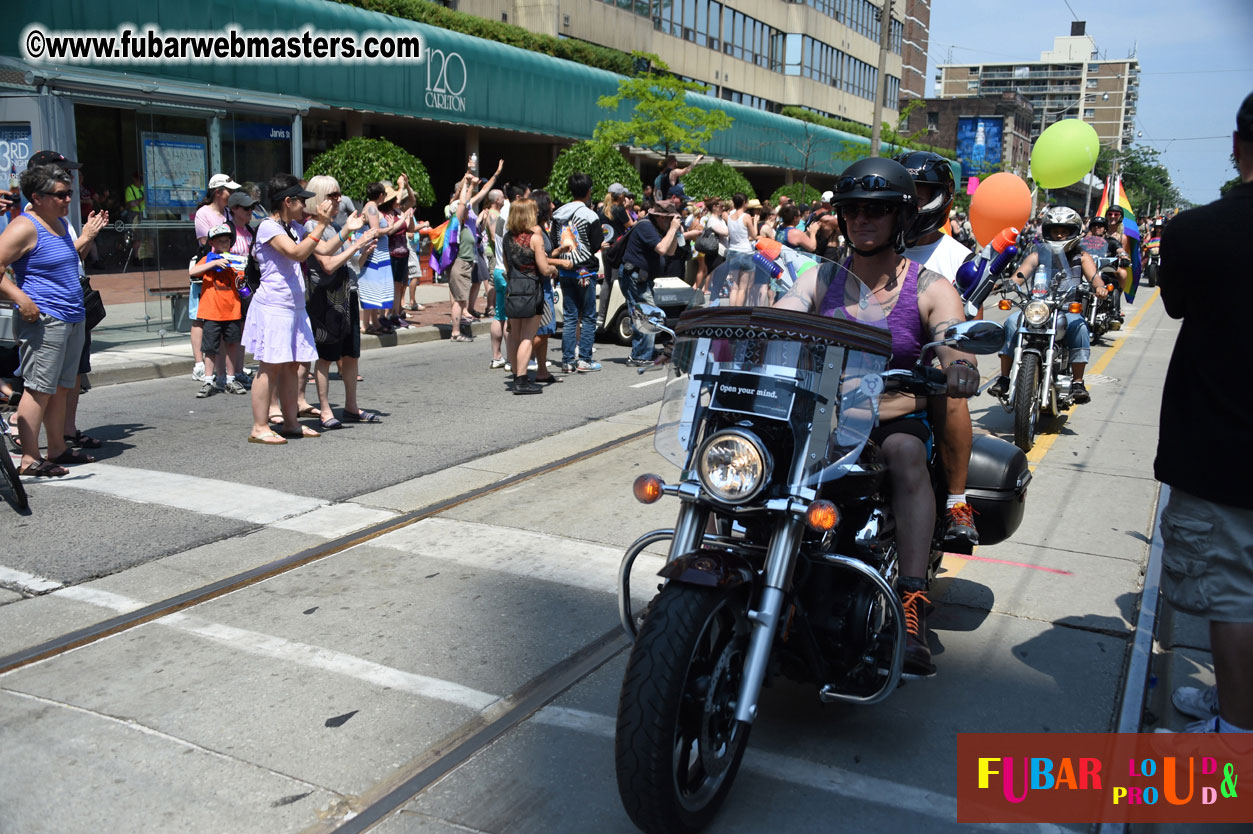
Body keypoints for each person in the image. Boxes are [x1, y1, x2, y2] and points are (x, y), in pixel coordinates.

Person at [773, 157, 982, 676]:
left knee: (908, 454)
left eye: (877, 210)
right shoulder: (821, 278)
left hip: (891, 419)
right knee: (747, 452)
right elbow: (783, 311)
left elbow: (953, 337)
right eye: (853, 211)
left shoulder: (929, 286)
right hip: (821, 416)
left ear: (900, 218)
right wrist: (740, 324)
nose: (863, 220)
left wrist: (958, 363)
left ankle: (912, 602)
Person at [1154, 93, 1253, 735]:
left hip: (1223, 449)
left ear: (1238, 145)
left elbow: (1176, 303)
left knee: (1234, 597)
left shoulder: (1193, 232)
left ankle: (1238, 734)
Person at [0, 164, 107, 475]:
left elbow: (62, 259)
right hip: (44, 318)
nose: (67, 200)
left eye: (69, 193)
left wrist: (86, 236)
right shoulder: (24, 226)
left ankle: (57, 447)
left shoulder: (58, 223)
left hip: (71, 316)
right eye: (60, 195)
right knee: (38, 388)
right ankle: (30, 458)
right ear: (38, 196)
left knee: (60, 387)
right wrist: (22, 300)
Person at [897, 150, 978, 548]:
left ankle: (957, 502)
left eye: (920, 192)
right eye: (905, 191)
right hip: (869, 362)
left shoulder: (958, 259)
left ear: (941, 197)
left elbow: (961, 331)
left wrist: (956, 361)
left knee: (951, 390)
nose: (911, 201)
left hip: (925, 368)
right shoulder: (873, 245)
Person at [242, 174, 335, 445]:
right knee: (269, 367)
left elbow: (324, 248)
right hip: (273, 307)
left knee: (291, 366)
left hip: (292, 307)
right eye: (301, 201)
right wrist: (321, 225)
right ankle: (259, 427)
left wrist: (347, 231)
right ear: (287, 201)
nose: (305, 205)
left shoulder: (293, 225)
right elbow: (296, 253)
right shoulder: (269, 228)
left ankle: (291, 423)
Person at [987, 206, 1108, 405]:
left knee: (1080, 327)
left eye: (1065, 231)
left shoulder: (1081, 256)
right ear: (1047, 231)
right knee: (1010, 323)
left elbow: (1095, 277)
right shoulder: (1037, 254)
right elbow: (1021, 273)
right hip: (1038, 308)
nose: (1059, 234)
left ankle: (1078, 382)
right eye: (1054, 230)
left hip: (1066, 308)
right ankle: (1005, 378)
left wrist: (1100, 287)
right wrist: (1005, 284)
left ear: (1074, 232)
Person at [301, 175, 384, 429]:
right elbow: (327, 265)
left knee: (350, 355)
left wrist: (363, 251)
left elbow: (348, 264)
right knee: (326, 356)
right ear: (318, 199)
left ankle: (351, 406)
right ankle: (325, 409)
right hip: (326, 298)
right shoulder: (310, 228)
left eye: (339, 195)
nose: (338, 201)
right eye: (332, 196)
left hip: (347, 292)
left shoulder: (335, 227)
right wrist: (355, 241)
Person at [502, 199, 570, 394]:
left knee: (515, 335)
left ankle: (517, 375)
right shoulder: (535, 238)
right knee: (527, 336)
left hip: (513, 286)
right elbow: (543, 267)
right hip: (532, 287)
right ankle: (522, 381)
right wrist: (554, 269)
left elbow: (507, 266)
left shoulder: (507, 238)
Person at [553, 172, 605, 373]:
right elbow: (596, 243)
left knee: (570, 316)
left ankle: (567, 361)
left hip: (565, 269)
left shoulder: (558, 214)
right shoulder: (590, 215)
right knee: (589, 316)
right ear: (589, 191)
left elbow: (555, 241)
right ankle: (584, 359)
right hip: (585, 270)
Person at [188, 224, 246, 397]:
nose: (224, 243)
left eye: (227, 240)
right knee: (210, 347)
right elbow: (193, 272)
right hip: (212, 312)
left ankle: (230, 378)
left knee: (232, 344)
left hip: (232, 310)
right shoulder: (207, 258)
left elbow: (242, 285)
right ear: (212, 242)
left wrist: (238, 271)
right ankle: (208, 380)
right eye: (220, 240)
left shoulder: (236, 259)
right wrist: (213, 263)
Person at [619, 207, 682, 367]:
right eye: (670, 219)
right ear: (661, 217)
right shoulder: (646, 226)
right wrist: (673, 228)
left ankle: (643, 350)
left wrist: (674, 233)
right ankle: (640, 355)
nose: (671, 222)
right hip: (634, 276)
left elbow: (671, 251)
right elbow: (661, 249)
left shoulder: (657, 228)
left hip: (641, 278)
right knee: (648, 315)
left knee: (643, 314)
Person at [597, 183, 634, 328]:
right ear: (620, 196)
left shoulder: (602, 210)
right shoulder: (619, 210)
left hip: (606, 248)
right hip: (618, 249)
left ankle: (601, 315)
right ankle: (616, 312)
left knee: (607, 281)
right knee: (618, 280)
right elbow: (631, 225)